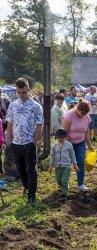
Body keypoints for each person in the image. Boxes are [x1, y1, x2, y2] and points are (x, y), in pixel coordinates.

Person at [6, 78, 43, 206]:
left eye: (23, 92)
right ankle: (27, 187)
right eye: (19, 92)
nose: (21, 95)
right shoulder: (13, 105)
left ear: (28, 90)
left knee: (31, 170)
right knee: (21, 170)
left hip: (29, 143)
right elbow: (10, 123)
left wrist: (35, 141)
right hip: (16, 144)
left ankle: (31, 196)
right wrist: (9, 140)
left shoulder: (36, 106)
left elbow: (39, 126)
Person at [61, 99, 94, 191]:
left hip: (80, 142)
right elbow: (64, 133)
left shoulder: (86, 117)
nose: (82, 116)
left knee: (80, 163)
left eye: (84, 114)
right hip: (68, 142)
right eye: (81, 113)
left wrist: (89, 145)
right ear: (77, 108)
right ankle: (65, 184)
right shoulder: (68, 116)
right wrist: (67, 146)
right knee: (67, 164)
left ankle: (80, 184)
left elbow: (87, 131)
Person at [48, 128, 79, 201]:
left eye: (62, 137)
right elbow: (52, 156)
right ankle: (64, 187)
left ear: (65, 137)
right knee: (59, 180)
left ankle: (64, 194)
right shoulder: (54, 146)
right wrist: (50, 166)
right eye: (59, 137)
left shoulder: (69, 145)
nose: (61, 139)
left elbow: (72, 155)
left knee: (64, 180)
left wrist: (75, 164)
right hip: (57, 166)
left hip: (67, 166)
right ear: (57, 137)